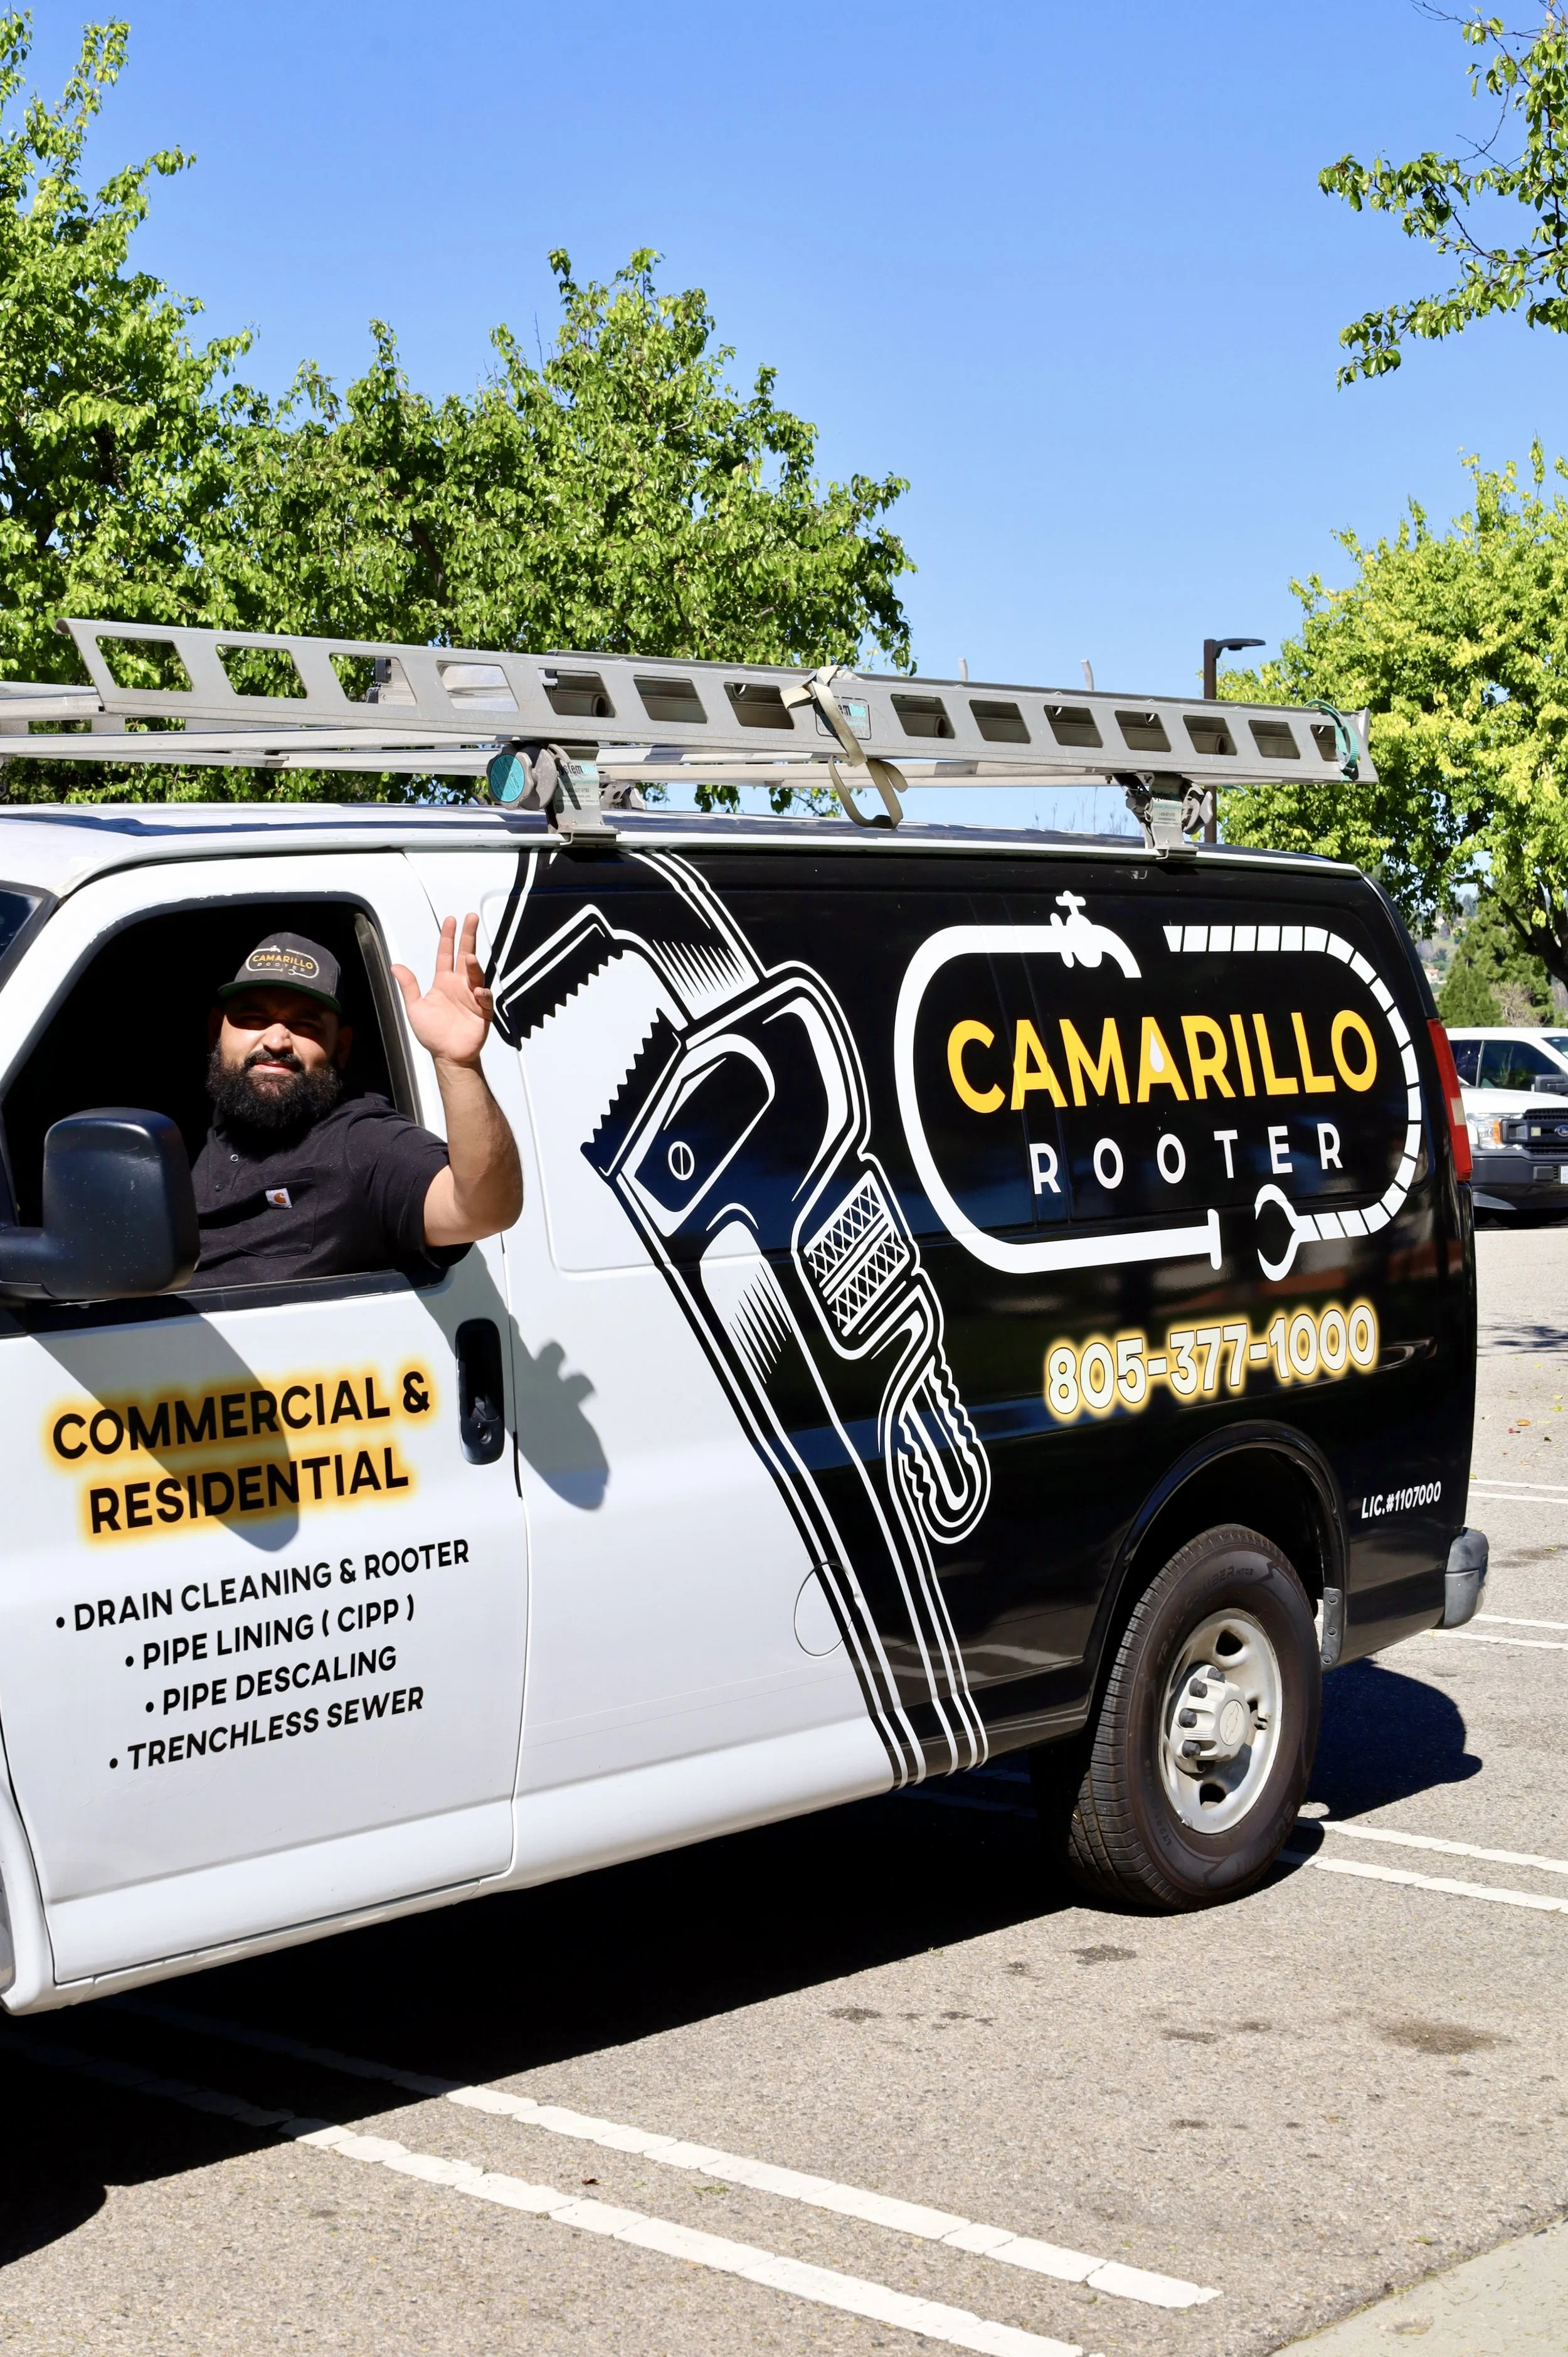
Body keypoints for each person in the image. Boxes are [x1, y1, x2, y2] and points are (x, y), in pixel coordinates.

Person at [189, 916, 522, 1288]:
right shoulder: (181, 1139)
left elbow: (481, 1211)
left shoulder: (359, 1142)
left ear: (342, 1048)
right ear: (216, 1032)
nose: (277, 1041)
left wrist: (457, 1064)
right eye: (253, 1018)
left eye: (306, 1026)